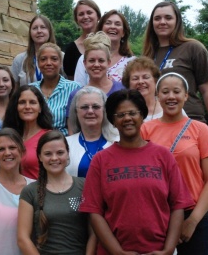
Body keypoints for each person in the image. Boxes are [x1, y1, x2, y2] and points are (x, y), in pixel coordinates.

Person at [79, 89, 193, 254]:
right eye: (120, 115)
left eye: (132, 113)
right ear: (112, 120)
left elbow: (178, 206)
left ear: (142, 116)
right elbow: (94, 212)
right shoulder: (100, 160)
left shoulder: (163, 156)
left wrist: (168, 250)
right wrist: (118, 252)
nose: (127, 119)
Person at [141, 72, 208, 255]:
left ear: (185, 96)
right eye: (165, 92)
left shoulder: (200, 129)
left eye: (176, 91)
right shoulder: (145, 129)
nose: (171, 97)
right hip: (157, 217)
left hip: (194, 216)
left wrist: (192, 221)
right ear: (157, 96)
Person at [142, 1, 208, 144]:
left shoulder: (193, 48)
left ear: (177, 21)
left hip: (189, 120)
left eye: (168, 17)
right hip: (156, 124)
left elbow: (207, 91)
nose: (162, 22)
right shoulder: (147, 56)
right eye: (157, 18)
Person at [17, 130, 94, 255]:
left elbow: (94, 233)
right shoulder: (29, 191)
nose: (54, 158)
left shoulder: (84, 185)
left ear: (68, 154)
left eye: (60, 152)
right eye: (48, 154)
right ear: (40, 157)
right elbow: (23, 239)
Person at [66, 32, 124, 127]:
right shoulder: (75, 95)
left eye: (101, 60)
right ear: (84, 63)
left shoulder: (121, 90)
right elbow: (72, 129)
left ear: (108, 62)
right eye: (92, 60)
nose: (96, 65)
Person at [66, 86, 118, 177]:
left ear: (104, 110)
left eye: (96, 107)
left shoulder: (119, 141)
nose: (90, 111)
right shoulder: (66, 144)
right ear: (76, 111)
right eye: (84, 107)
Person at [3, 85, 53, 179]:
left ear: (40, 108)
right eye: (22, 102)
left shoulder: (48, 137)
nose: (27, 106)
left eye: (32, 102)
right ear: (15, 107)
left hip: (39, 192)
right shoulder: (8, 137)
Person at [31, 43, 80, 136]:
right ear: (38, 63)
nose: (48, 63)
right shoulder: (30, 89)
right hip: (35, 142)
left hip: (64, 142)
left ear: (61, 62)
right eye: (43, 59)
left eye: (54, 59)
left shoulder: (74, 88)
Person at [74, 10, 135, 86]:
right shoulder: (84, 59)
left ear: (123, 33)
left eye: (117, 24)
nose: (112, 27)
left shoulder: (132, 62)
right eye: (108, 23)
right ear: (101, 29)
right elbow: (79, 89)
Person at [11, 15, 57, 86]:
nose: (39, 31)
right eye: (35, 28)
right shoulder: (19, 59)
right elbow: (14, 89)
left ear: (49, 31)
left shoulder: (61, 57)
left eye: (43, 27)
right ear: (30, 33)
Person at [63, 0, 101, 80]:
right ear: (77, 20)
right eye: (81, 14)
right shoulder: (71, 50)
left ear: (98, 16)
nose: (85, 17)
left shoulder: (109, 43)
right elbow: (72, 83)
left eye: (89, 12)